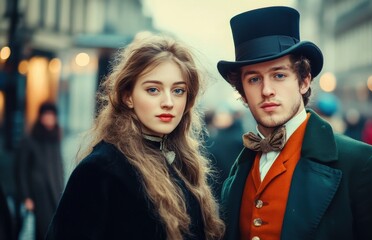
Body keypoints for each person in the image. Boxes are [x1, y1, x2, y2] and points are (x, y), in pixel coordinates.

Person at [217, 6, 372, 240]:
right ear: (243, 91)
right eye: (254, 79)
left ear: (304, 81)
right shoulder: (238, 169)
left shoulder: (365, 165)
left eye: (279, 75)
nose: (267, 90)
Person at [46, 32, 225, 240]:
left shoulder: (183, 165)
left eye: (178, 91)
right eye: (153, 90)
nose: (168, 102)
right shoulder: (100, 170)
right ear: (127, 96)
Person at [15, 102, 64, 240]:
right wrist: (26, 197)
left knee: (53, 229)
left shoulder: (55, 139)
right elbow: (21, 171)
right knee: (42, 230)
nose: (50, 119)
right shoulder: (30, 140)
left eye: (52, 116)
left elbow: (59, 167)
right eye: (47, 115)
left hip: (54, 192)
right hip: (38, 195)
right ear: (41, 117)